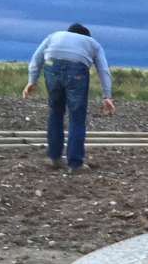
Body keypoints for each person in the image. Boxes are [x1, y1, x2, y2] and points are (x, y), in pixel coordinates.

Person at [22, 23, 116, 172]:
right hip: (77, 71)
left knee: (55, 112)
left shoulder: (53, 36)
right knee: (77, 118)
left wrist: (32, 80)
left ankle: (54, 158)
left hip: (51, 68)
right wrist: (107, 96)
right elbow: (103, 70)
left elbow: (36, 59)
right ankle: (75, 164)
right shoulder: (93, 43)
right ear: (85, 36)